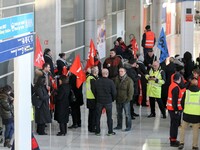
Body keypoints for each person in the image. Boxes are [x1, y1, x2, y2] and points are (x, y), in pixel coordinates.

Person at [93, 69, 116, 136]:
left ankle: (97, 131)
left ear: (102, 73)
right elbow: (114, 92)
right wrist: (112, 99)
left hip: (99, 101)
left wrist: (97, 98)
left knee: (98, 117)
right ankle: (110, 131)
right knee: (109, 117)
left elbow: (94, 91)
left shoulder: (97, 81)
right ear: (107, 74)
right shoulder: (111, 82)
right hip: (108, 101)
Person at [178, 79, 200, 150]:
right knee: (195, 131)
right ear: (197, 84)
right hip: (196, 116)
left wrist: (186, 109)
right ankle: (195, 146)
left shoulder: (186, 92)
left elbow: (182, 103)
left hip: (187, 115)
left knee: (183, 129)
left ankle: (181, 143)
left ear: (190, 84)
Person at [166, 73, 182, 147]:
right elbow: (174, 101)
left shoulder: (172, 85)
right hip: (173, 109)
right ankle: (173, 141)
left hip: (170, 109)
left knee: (173, 125)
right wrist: (176, 110)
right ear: (179, 79)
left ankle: (172, 139)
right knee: (174, 126)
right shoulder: (176, 87)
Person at [86, 66, 99, 132]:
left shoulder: (89, 77)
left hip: (89, 97)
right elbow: (94, 90)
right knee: (93, 114)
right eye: (97, 70)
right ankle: (92, 127)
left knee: (91, 114)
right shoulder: (92, 78)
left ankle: (90, 127)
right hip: (92, 98)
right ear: (95, 72)